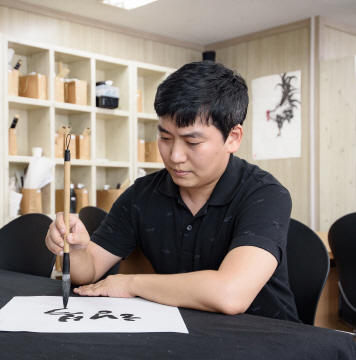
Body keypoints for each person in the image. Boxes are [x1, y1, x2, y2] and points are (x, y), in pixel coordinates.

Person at [45, 61, 300, 323]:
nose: (175, 156)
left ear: (233, 138)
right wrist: (74, 249)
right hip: (188, 333)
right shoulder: (142, 195)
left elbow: (231, 293)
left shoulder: (264, 195)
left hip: (268, 337)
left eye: (192, 142)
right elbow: (88, 272)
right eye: (166, 138)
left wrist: (131, 283)